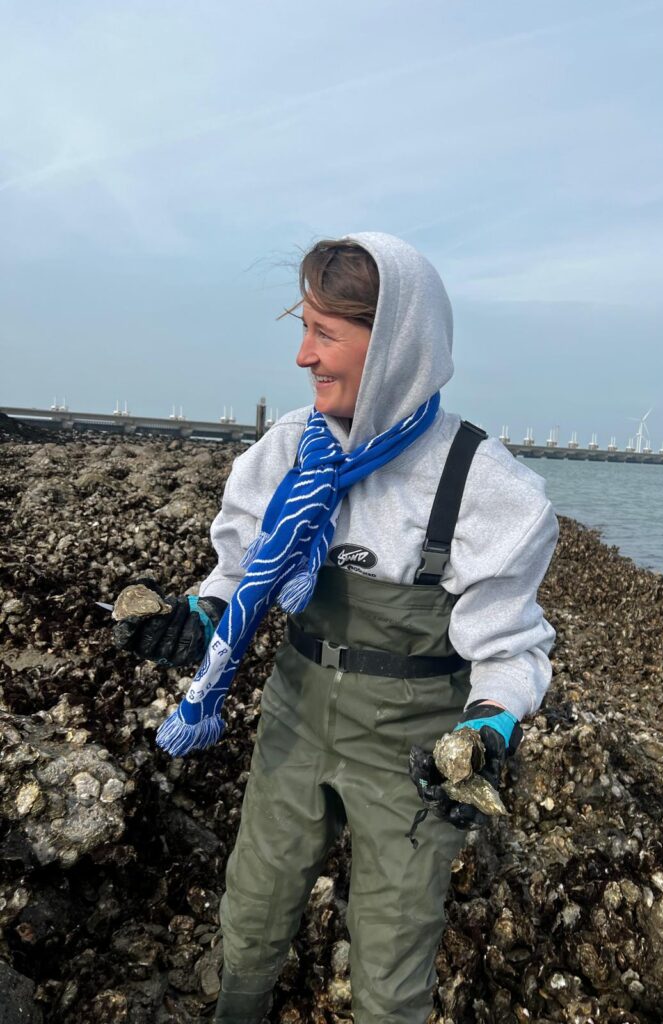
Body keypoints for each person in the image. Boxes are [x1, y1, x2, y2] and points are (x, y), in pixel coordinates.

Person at [114, 232, 558, 1023]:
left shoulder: (483, 485)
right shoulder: (292, 448)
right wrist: (199, 617)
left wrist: (488, 733)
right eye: (303, 328)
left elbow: (510, 650)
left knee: (390, 968)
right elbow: (238, 564)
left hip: (411, 750)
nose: (301, 356)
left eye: (324, 333)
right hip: (295, 717)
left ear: (392, 346)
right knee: (250, 918)